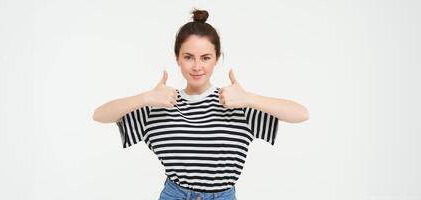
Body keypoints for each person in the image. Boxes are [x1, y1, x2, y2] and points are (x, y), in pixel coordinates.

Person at [92, 8, 309, 200]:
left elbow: (301, 114)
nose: (197, 66)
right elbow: (100, 115)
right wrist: (146, 97)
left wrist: (249, 99)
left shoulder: (236, 102)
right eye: (188, 57)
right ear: (177, 58)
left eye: (205, 57)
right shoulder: (160, 103)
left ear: (217, 59)